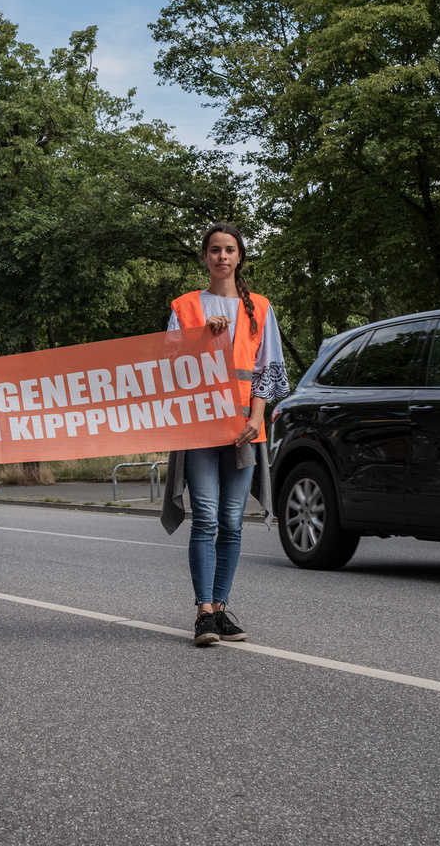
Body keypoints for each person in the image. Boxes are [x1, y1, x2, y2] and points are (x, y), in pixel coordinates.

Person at [164, 222, 289, 646]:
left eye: (229, 249)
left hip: (243, 430)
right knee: (207, 518)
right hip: (200, 430)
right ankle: (203, 613)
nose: (222, 256)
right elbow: (166, 366)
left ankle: (221, 607)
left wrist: (257, 417)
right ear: (205, 257)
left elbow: (268, 369)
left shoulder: (260, 307)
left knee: (232, 522)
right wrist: (202, 339)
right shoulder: (186, 307)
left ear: (240, 257)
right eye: (214, 249)